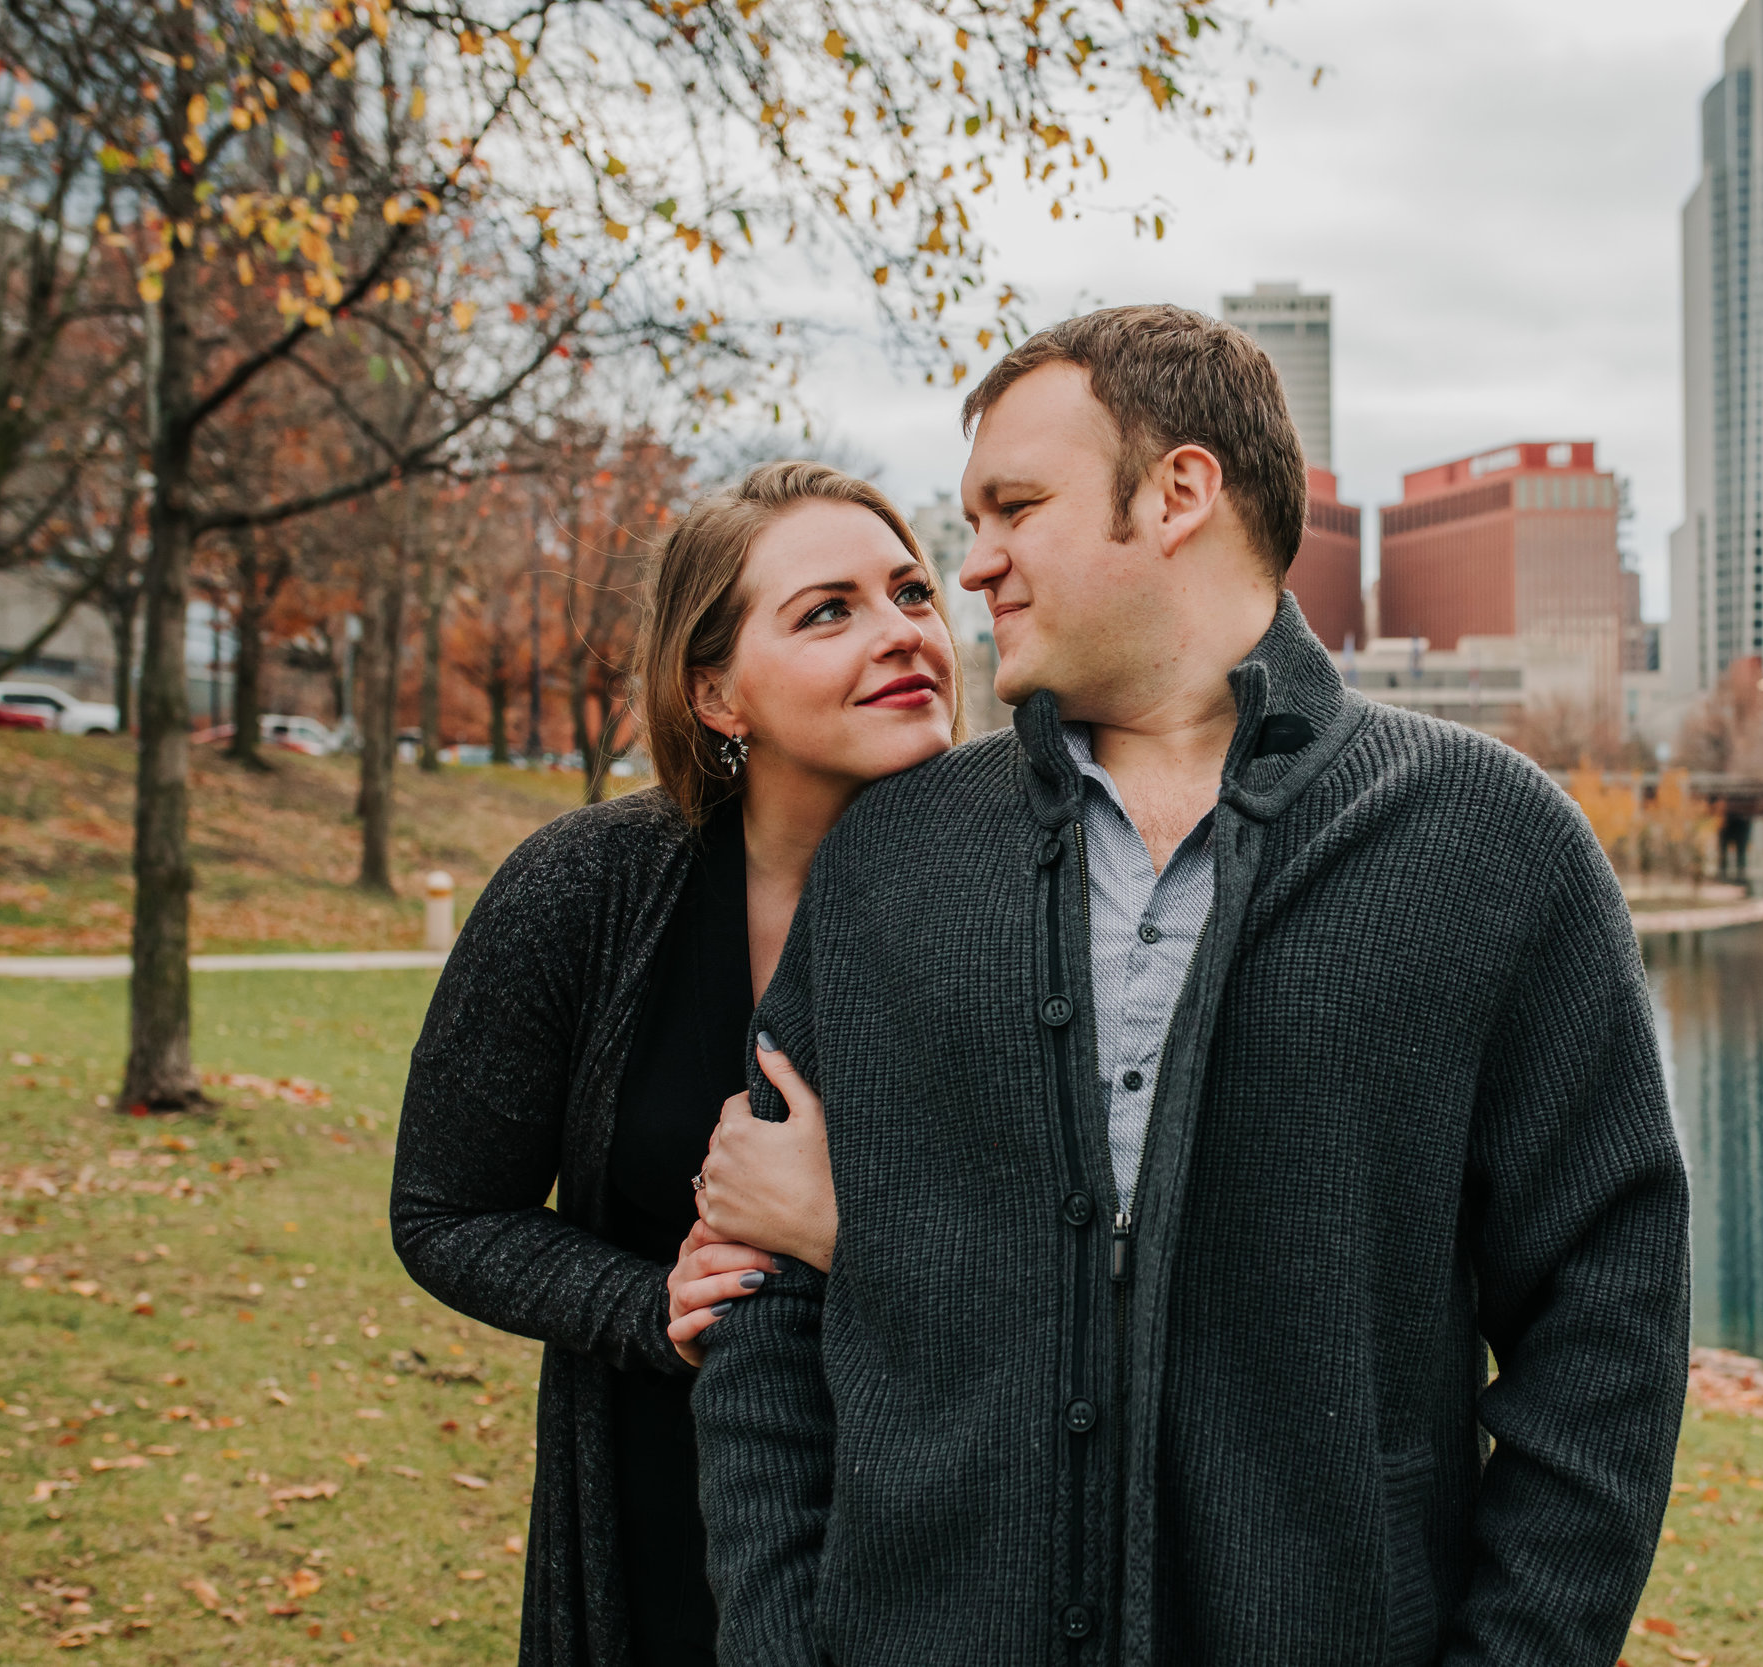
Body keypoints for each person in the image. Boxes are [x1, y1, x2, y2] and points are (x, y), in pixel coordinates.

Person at [689, 306, 1691, 1667]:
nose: (971, 559)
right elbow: (762, 1305)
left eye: (1015, 505)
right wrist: (778, 1639)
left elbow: (1608, 1332)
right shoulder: (894, 857)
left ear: (1178, 493)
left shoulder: (1494, 843)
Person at [389, 462, 962, 1667]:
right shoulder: (585, 889)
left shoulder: (1034, 896)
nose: (903, 631)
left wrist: (845, 1229)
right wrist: (650, 1306)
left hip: (957, 1516)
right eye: (828, 610)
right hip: (661, 1508)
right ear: (716, 693)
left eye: (912, 591)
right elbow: (448, 1209)